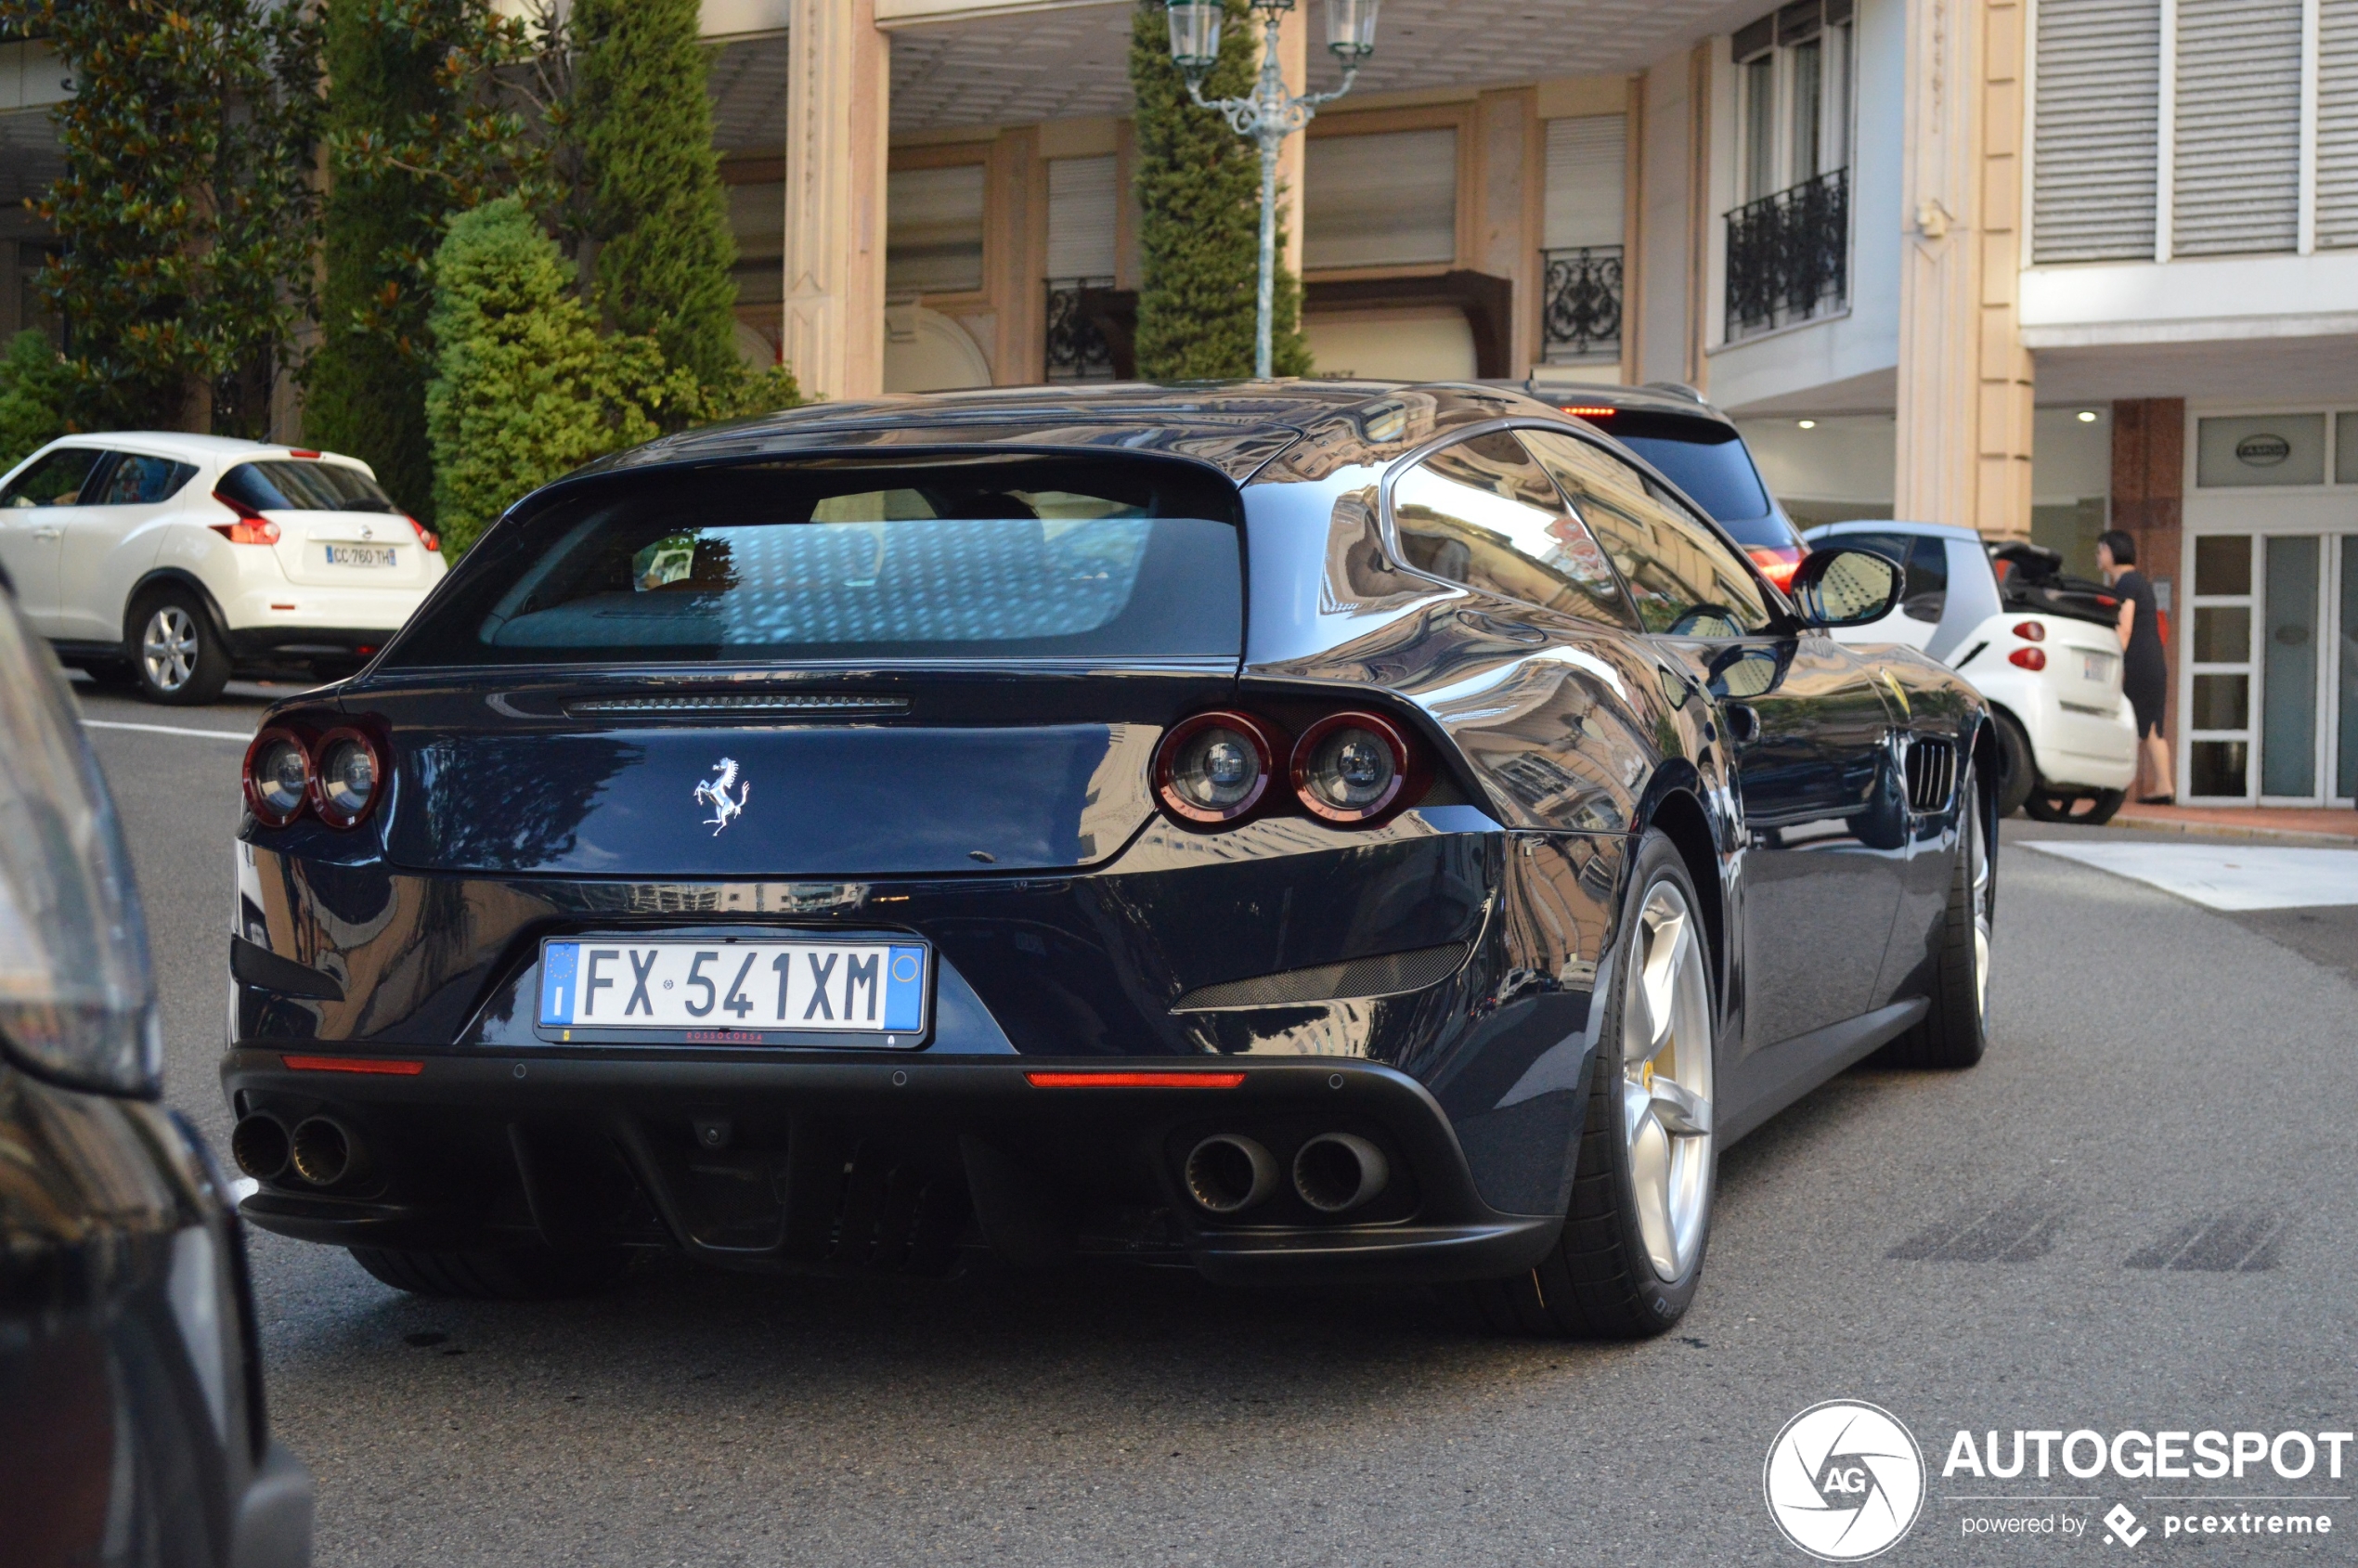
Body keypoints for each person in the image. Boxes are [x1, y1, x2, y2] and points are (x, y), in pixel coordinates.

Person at [2097, 529, 2172, 804]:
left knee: (2129, 724)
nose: (2099, 554)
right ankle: (2164, 787)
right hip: (2152, 661)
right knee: (2151, 727)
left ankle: (2112, 786)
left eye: (2102, 549)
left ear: (2114, 552)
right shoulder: (2138, 581)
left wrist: (2113, 658)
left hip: (2139, 662)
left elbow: (2124, 626)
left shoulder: (2127, 583)